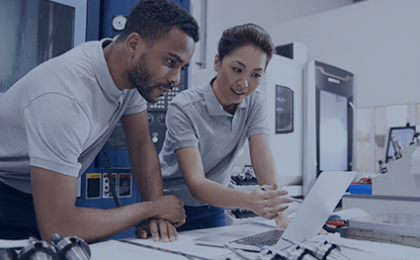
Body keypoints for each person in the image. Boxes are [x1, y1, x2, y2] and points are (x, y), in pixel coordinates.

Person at [0, 0, 199, 243]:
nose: (175, 80)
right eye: (170, 62)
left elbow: (140, 144)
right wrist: (151, 209)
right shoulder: (64, 97)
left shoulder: (130, 73)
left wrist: (155, 212)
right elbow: (58, 229)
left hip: (39, 191)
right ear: (134, 44)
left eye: (182, 67)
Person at [155, 23, 292, 232]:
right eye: (237, 70)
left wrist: (281, 217)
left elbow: (262, 157)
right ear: (217, 62)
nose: (244, 84)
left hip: (214, 205)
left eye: (256, 75)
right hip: (170, 208)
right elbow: (196, 183)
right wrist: (249, 200)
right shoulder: (184, 107)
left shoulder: (255, 102)